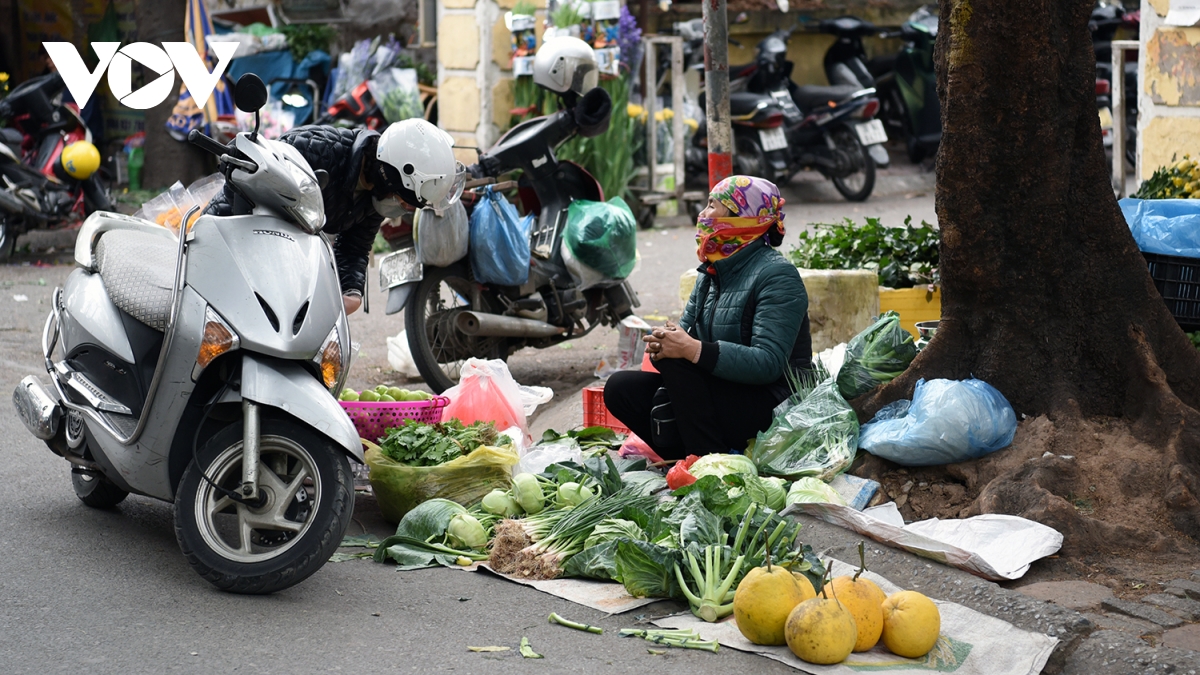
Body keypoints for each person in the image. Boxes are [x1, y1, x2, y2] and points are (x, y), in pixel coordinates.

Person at [603, 175, 812, 459]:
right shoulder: (712, 272)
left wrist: (690, 349)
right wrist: (662, 345)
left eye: (713, 206)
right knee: (621, 388)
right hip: (722, 391)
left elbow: (769, 363)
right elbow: (684, 340)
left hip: (774, 403)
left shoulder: (777, 275)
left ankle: (707, 461)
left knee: (681, 361)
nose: (702, 214)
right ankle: (682, 456)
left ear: (742, 218)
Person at [206, 118, 465, 314]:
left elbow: (355, 247)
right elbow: (248, 177)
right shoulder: (317, 149)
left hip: (280, 269)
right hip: (229, 237)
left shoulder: (373, 199)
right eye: (403, 200)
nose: (404, 209)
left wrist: (350, 290)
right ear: (390, 177)